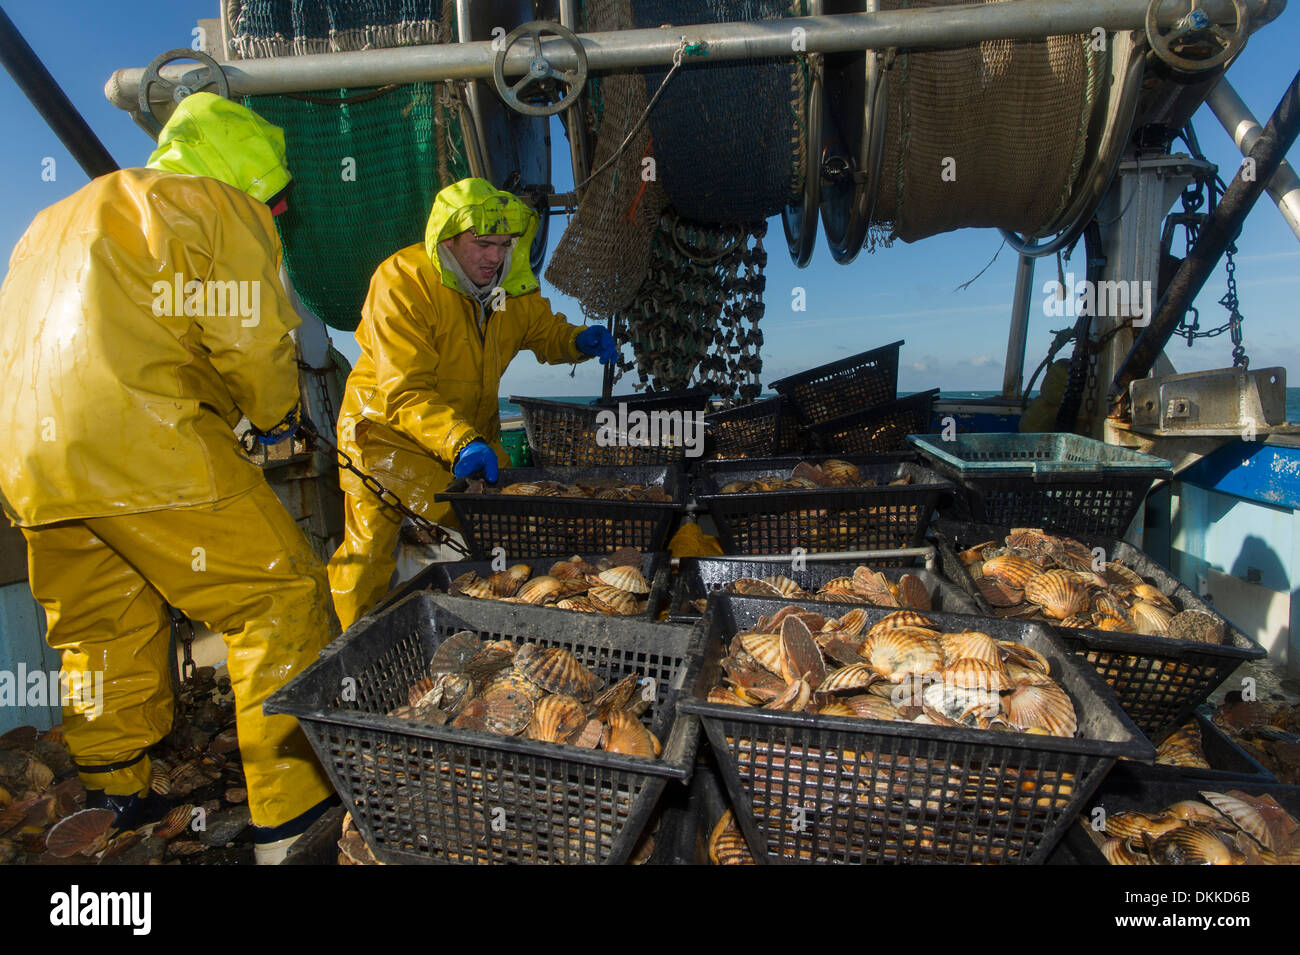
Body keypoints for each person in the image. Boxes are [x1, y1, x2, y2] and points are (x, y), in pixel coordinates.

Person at [0, 92, 337, 863]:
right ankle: (292, 818)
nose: (278, 213)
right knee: (278, 596)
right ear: (252, 176)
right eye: (278, 199)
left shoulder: (49, 221)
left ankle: (117, 789)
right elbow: (252, 338)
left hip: (29, 461)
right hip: (142, 441)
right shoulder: (216, 203)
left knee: (99, 624)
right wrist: (280, 412)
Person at [328, 178, 618, 630]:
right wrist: (459, 440)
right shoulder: (403, 281)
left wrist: (578, 340)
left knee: (511, 535)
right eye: (482, 244)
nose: (495, 257)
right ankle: (352, 646)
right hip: (386, 438)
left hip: (470, 438)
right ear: (446, 237)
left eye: (504, 244)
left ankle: (511, 626)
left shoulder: (511, 285)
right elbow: (403, 390)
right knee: (366, 555)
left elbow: (543, 332)